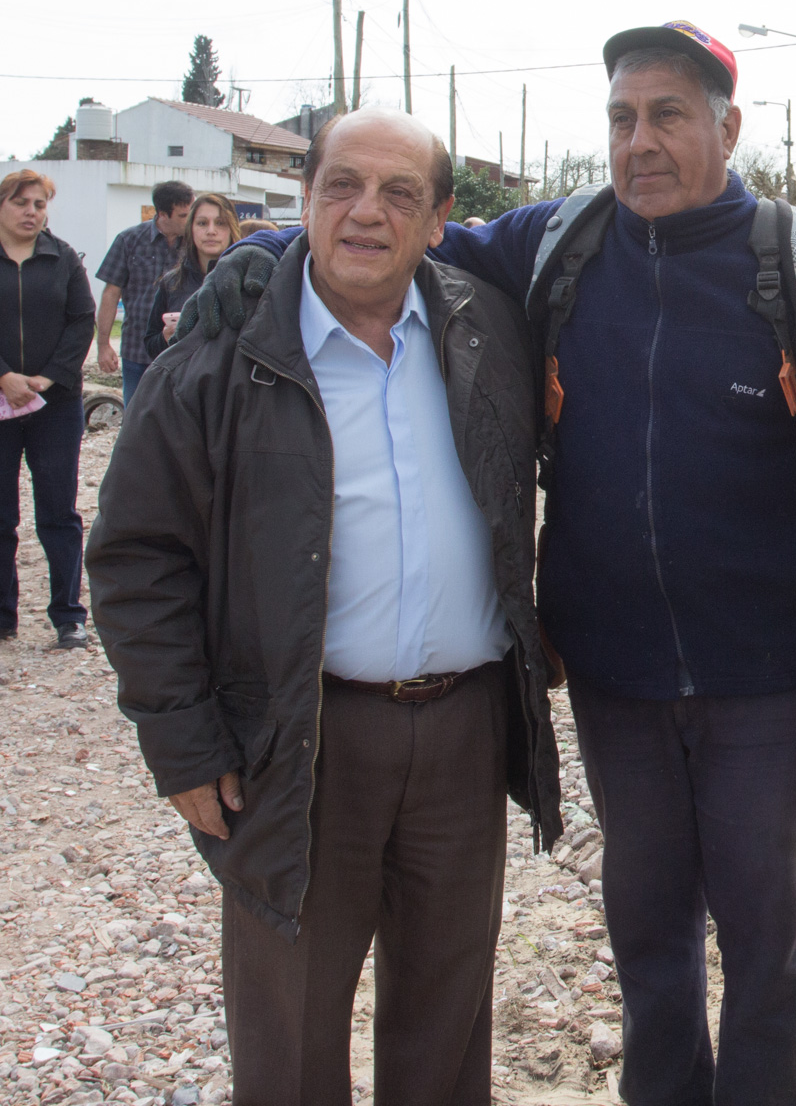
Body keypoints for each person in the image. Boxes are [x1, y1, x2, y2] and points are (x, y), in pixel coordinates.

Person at [181, 22, 796, 1106]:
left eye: (668, 116)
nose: (639, 141)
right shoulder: (562, 243)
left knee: (768, 946)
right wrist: (261, 254)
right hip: (614, 678)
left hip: (768, 680)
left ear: (729, 127)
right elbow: (400, 230)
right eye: (621, 118)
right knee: (647, 936)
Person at [87, 109, 563, 1105]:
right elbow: (137, 556)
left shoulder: (488, 331)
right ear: (305, 197)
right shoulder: (219, 354)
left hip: (464, 734)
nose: (365, 212)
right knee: (290, 1034)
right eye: (342, 184)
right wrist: (182, 741)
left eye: (399, 193)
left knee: (447, 1028)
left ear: (439, 218)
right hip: (296, 742)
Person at [0, 170, 96, 650]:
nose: (31, 212)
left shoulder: (64, 259)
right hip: (0, 401)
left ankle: (69, 616)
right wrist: (4, 376)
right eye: (21, 203)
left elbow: (82, 321)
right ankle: (3, 616)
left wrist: (50, 376)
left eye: (39, 204)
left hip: (54, 404)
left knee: (58, 513)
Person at [96, 179, 191, 405]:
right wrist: (103, 344)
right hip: (137, 350)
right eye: (183, 215)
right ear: (163, 214)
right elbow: (111, 293)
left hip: (183, 350)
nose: (189, 221)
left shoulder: (195, 243)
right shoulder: (129, 240)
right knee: (136, 414)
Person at [147, 192, 239, 355]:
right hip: (184, 370)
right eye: (202, 223)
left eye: (220, 223)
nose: (211, 231)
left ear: (232, 228)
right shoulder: (172, 283)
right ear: (191, 228)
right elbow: (150, 344)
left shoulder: (247, 279)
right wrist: (166, 337)